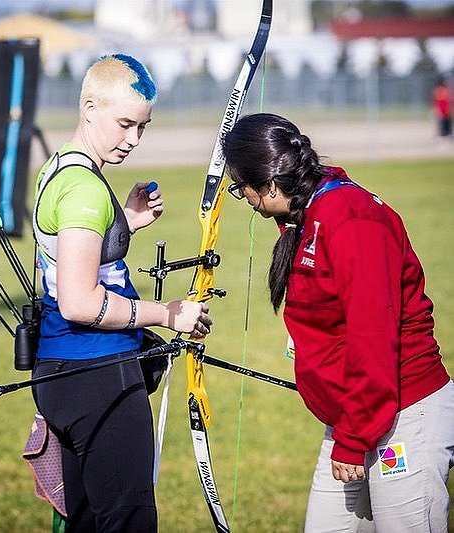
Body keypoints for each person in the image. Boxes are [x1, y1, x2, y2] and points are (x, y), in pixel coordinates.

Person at [221, 113, 454, 532]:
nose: (247, 200)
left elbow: (373, 339)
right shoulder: (308, 212)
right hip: (356, 417)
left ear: (271, 184)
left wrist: (352, 442)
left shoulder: (350, 218)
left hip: (400, 413)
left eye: (244, 189)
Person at [31, 54, 213, 532]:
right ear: (89, 107)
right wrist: (166, 313)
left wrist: (124, 224)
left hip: (64, 374)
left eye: (143, 128)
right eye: (125, 124)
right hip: (96, 373)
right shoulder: (84, 189)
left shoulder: (60, 169)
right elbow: (79, 301)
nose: (133, 140)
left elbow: (72, 256)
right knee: (127, 521)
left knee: (89, 521)